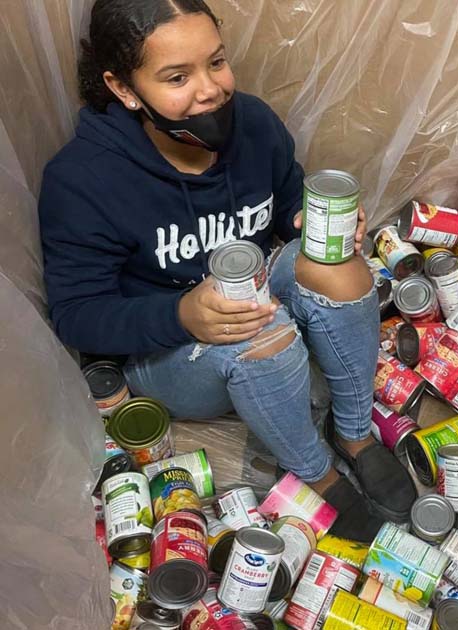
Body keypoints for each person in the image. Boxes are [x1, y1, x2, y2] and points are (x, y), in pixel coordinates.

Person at [38, 0, 416, 542]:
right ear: (124, 89)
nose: (211, 89)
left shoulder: (253, 123)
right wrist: (182, 314)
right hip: (168, 350)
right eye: (177, 77)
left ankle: (354, 435)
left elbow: (286, 199)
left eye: (216, 62)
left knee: (335, 264)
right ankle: (316, 471)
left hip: (252, 290)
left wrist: (314, 220)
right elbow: (77, 316)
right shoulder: (82, 181)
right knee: (262, 328)